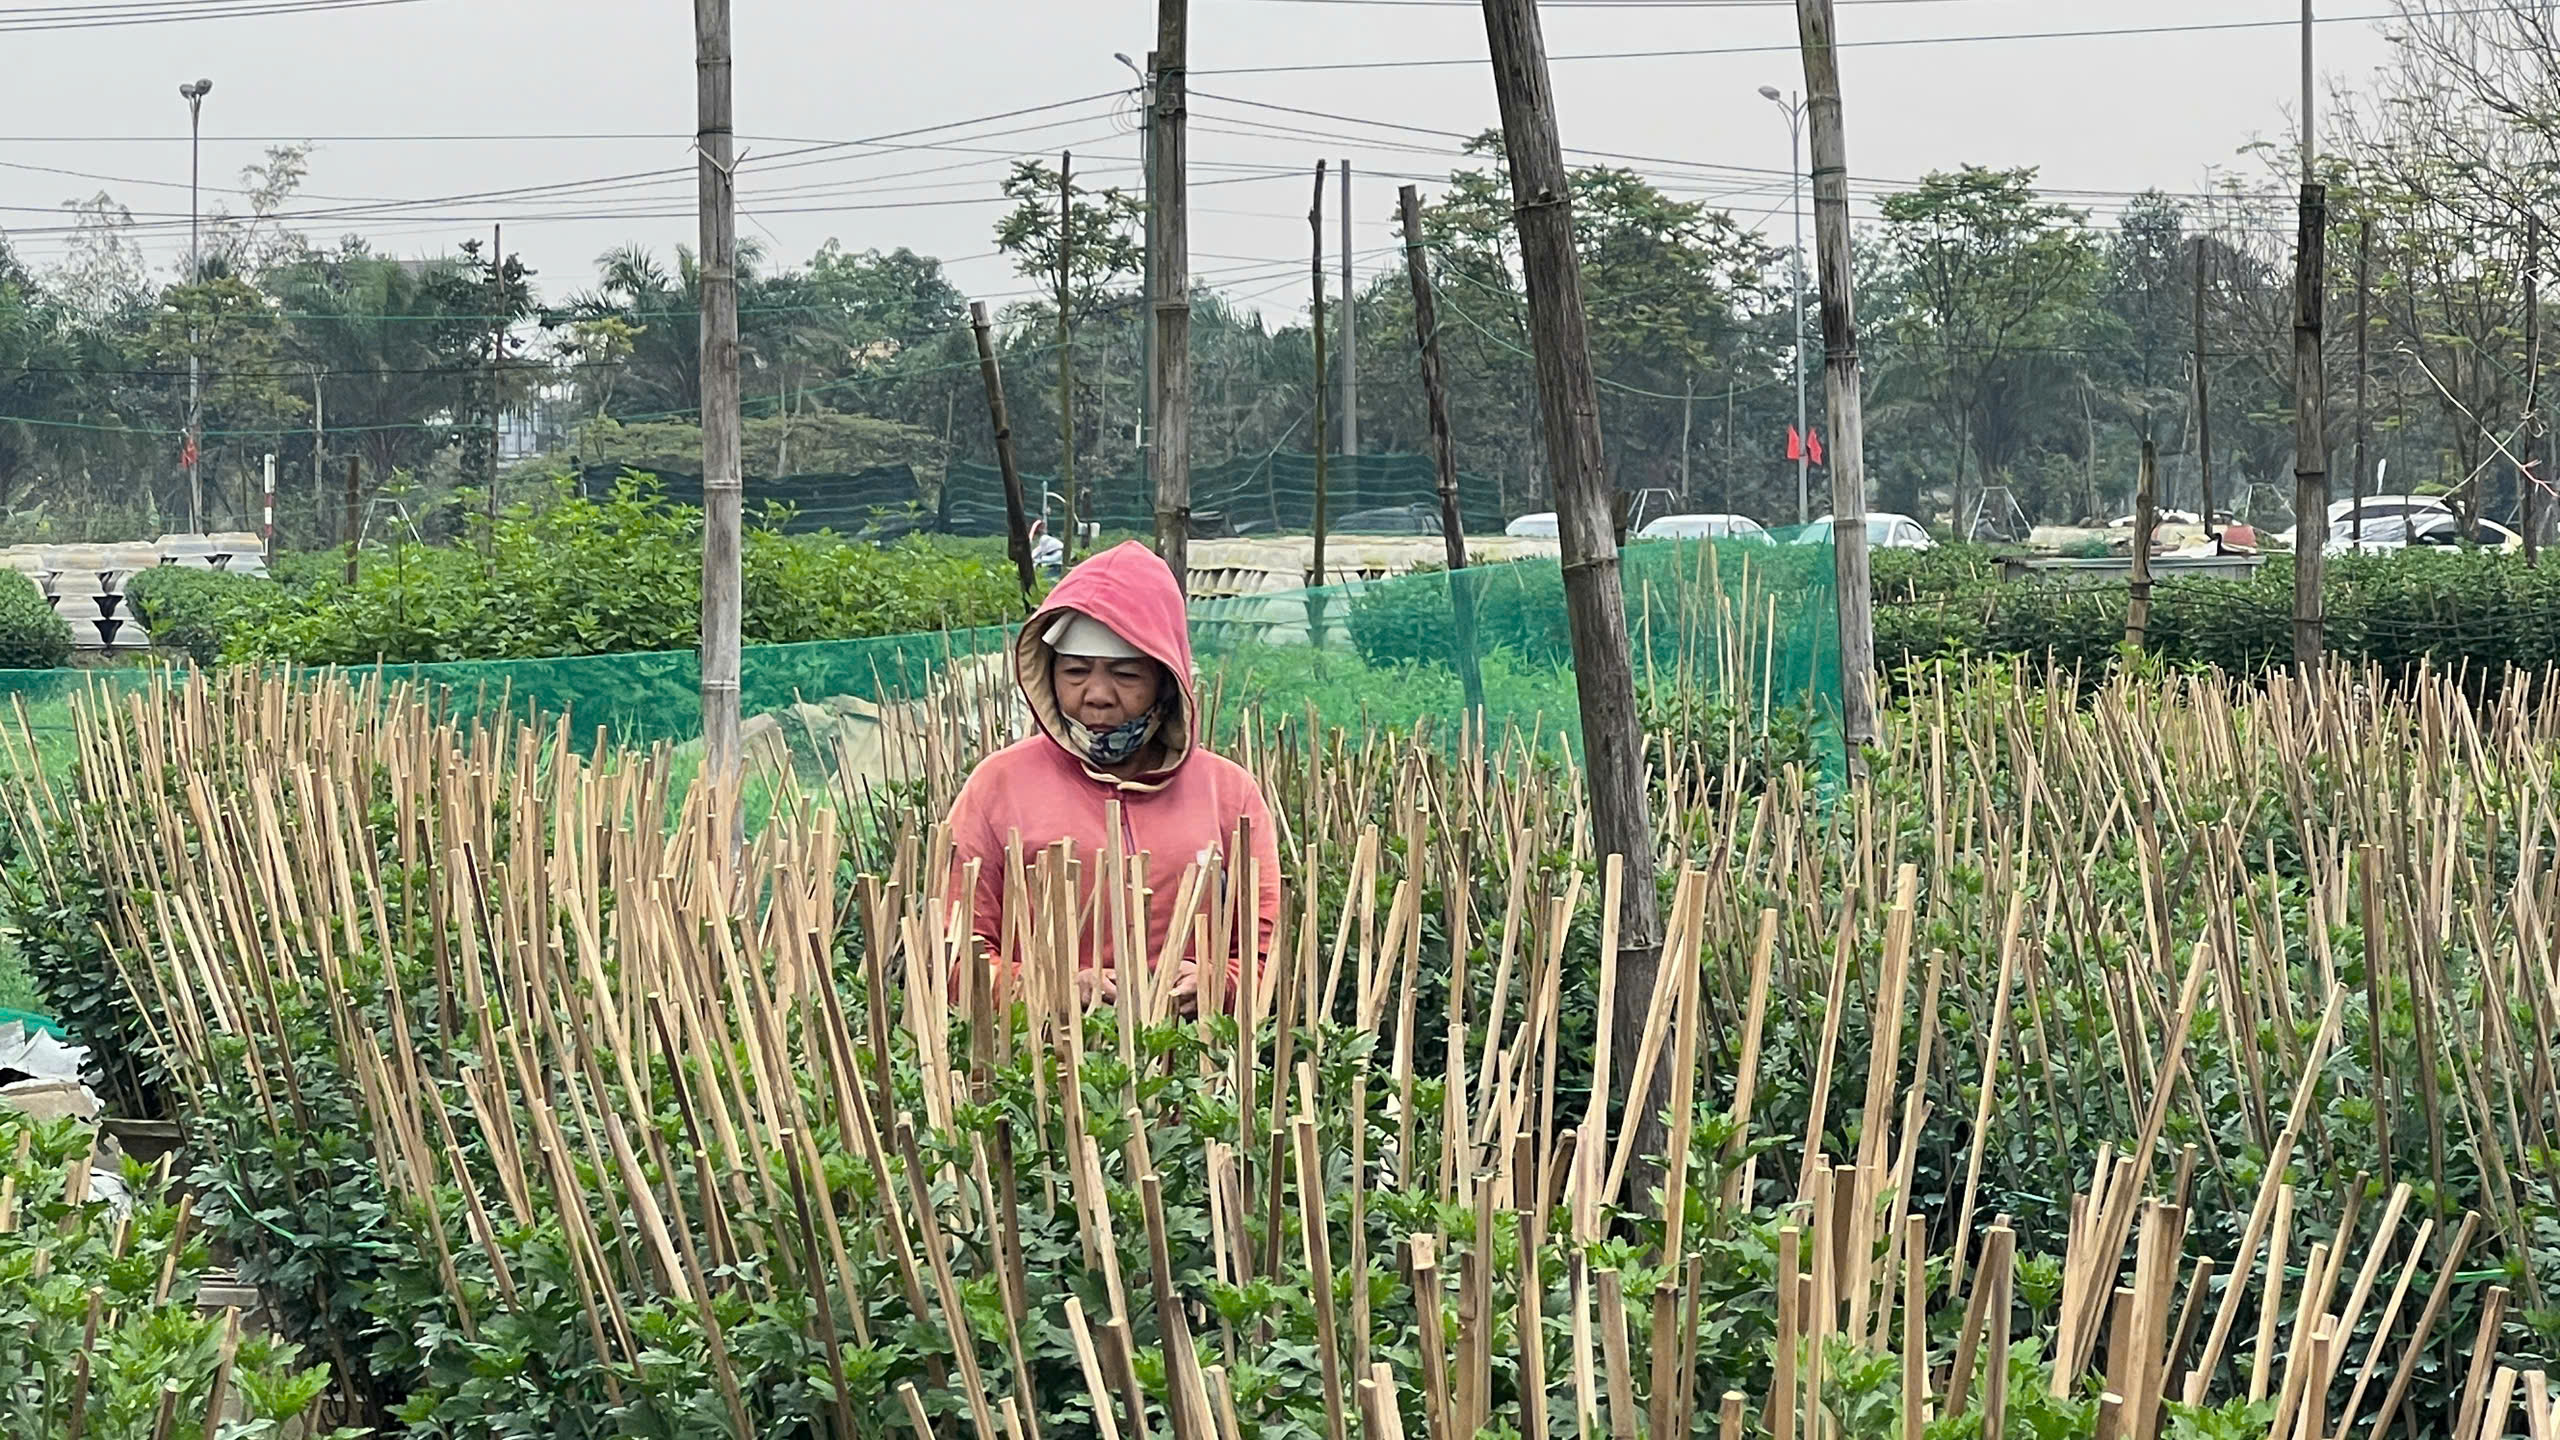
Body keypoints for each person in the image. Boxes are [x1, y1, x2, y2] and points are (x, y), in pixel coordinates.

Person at [943, 540, 1281, 1010]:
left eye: (1126, 675)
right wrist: (1050, 988)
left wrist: (1219, 983)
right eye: (1076, 672)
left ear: (1167, 683)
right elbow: (955, 956)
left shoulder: (1227, 792)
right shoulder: (998, 787)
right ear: (1048, 674)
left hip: (1189, 1053)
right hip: (1040, 1052)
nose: (1097, 694)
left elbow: (1266, 953)